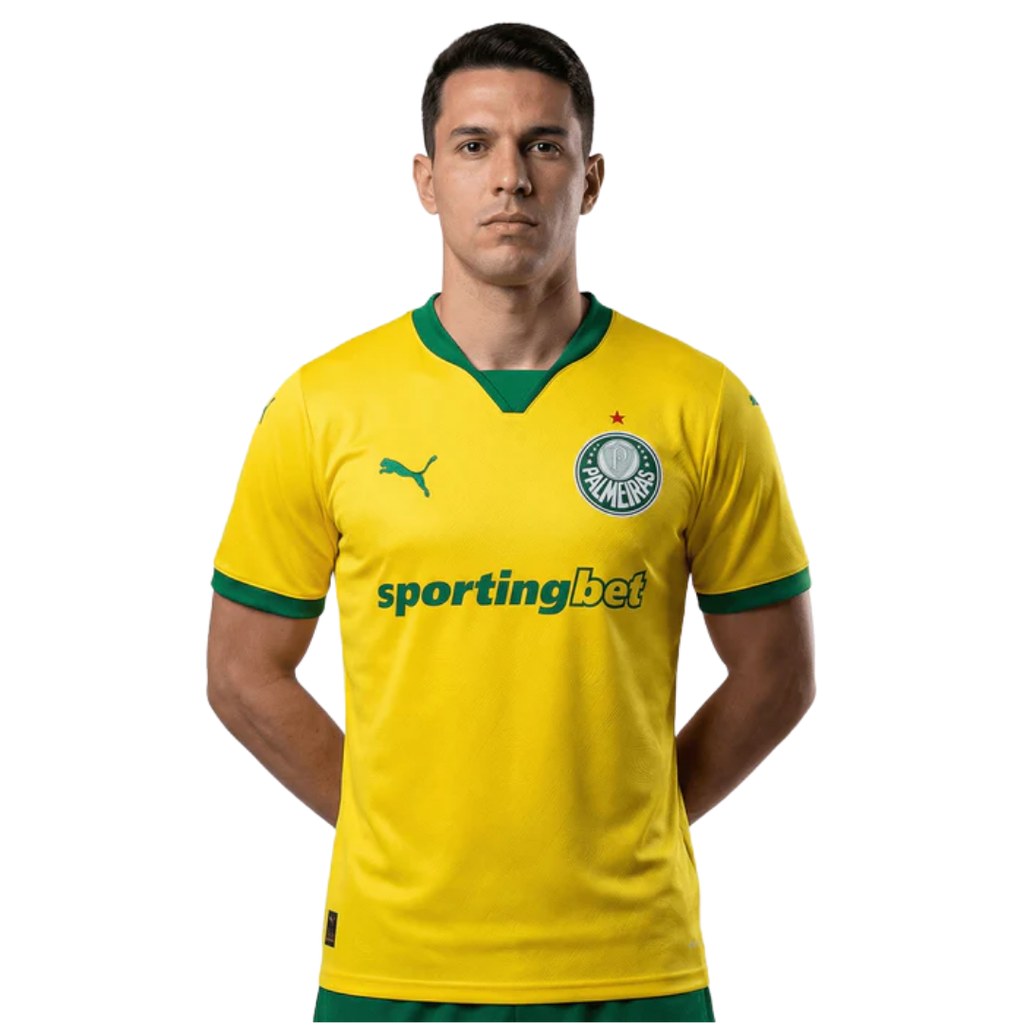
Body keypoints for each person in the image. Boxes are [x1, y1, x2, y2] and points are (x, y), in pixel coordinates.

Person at [206, 21, 815, 1024]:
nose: (510, 179)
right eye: (473, 145)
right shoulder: (321, 408)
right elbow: (241, 671)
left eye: (544, 145)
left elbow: (778, 673)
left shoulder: (702, 404)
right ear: (425, 179)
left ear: (591, 178)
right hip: (395, 965)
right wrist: (394, 832)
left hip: (632, 964)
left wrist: (635, 825)